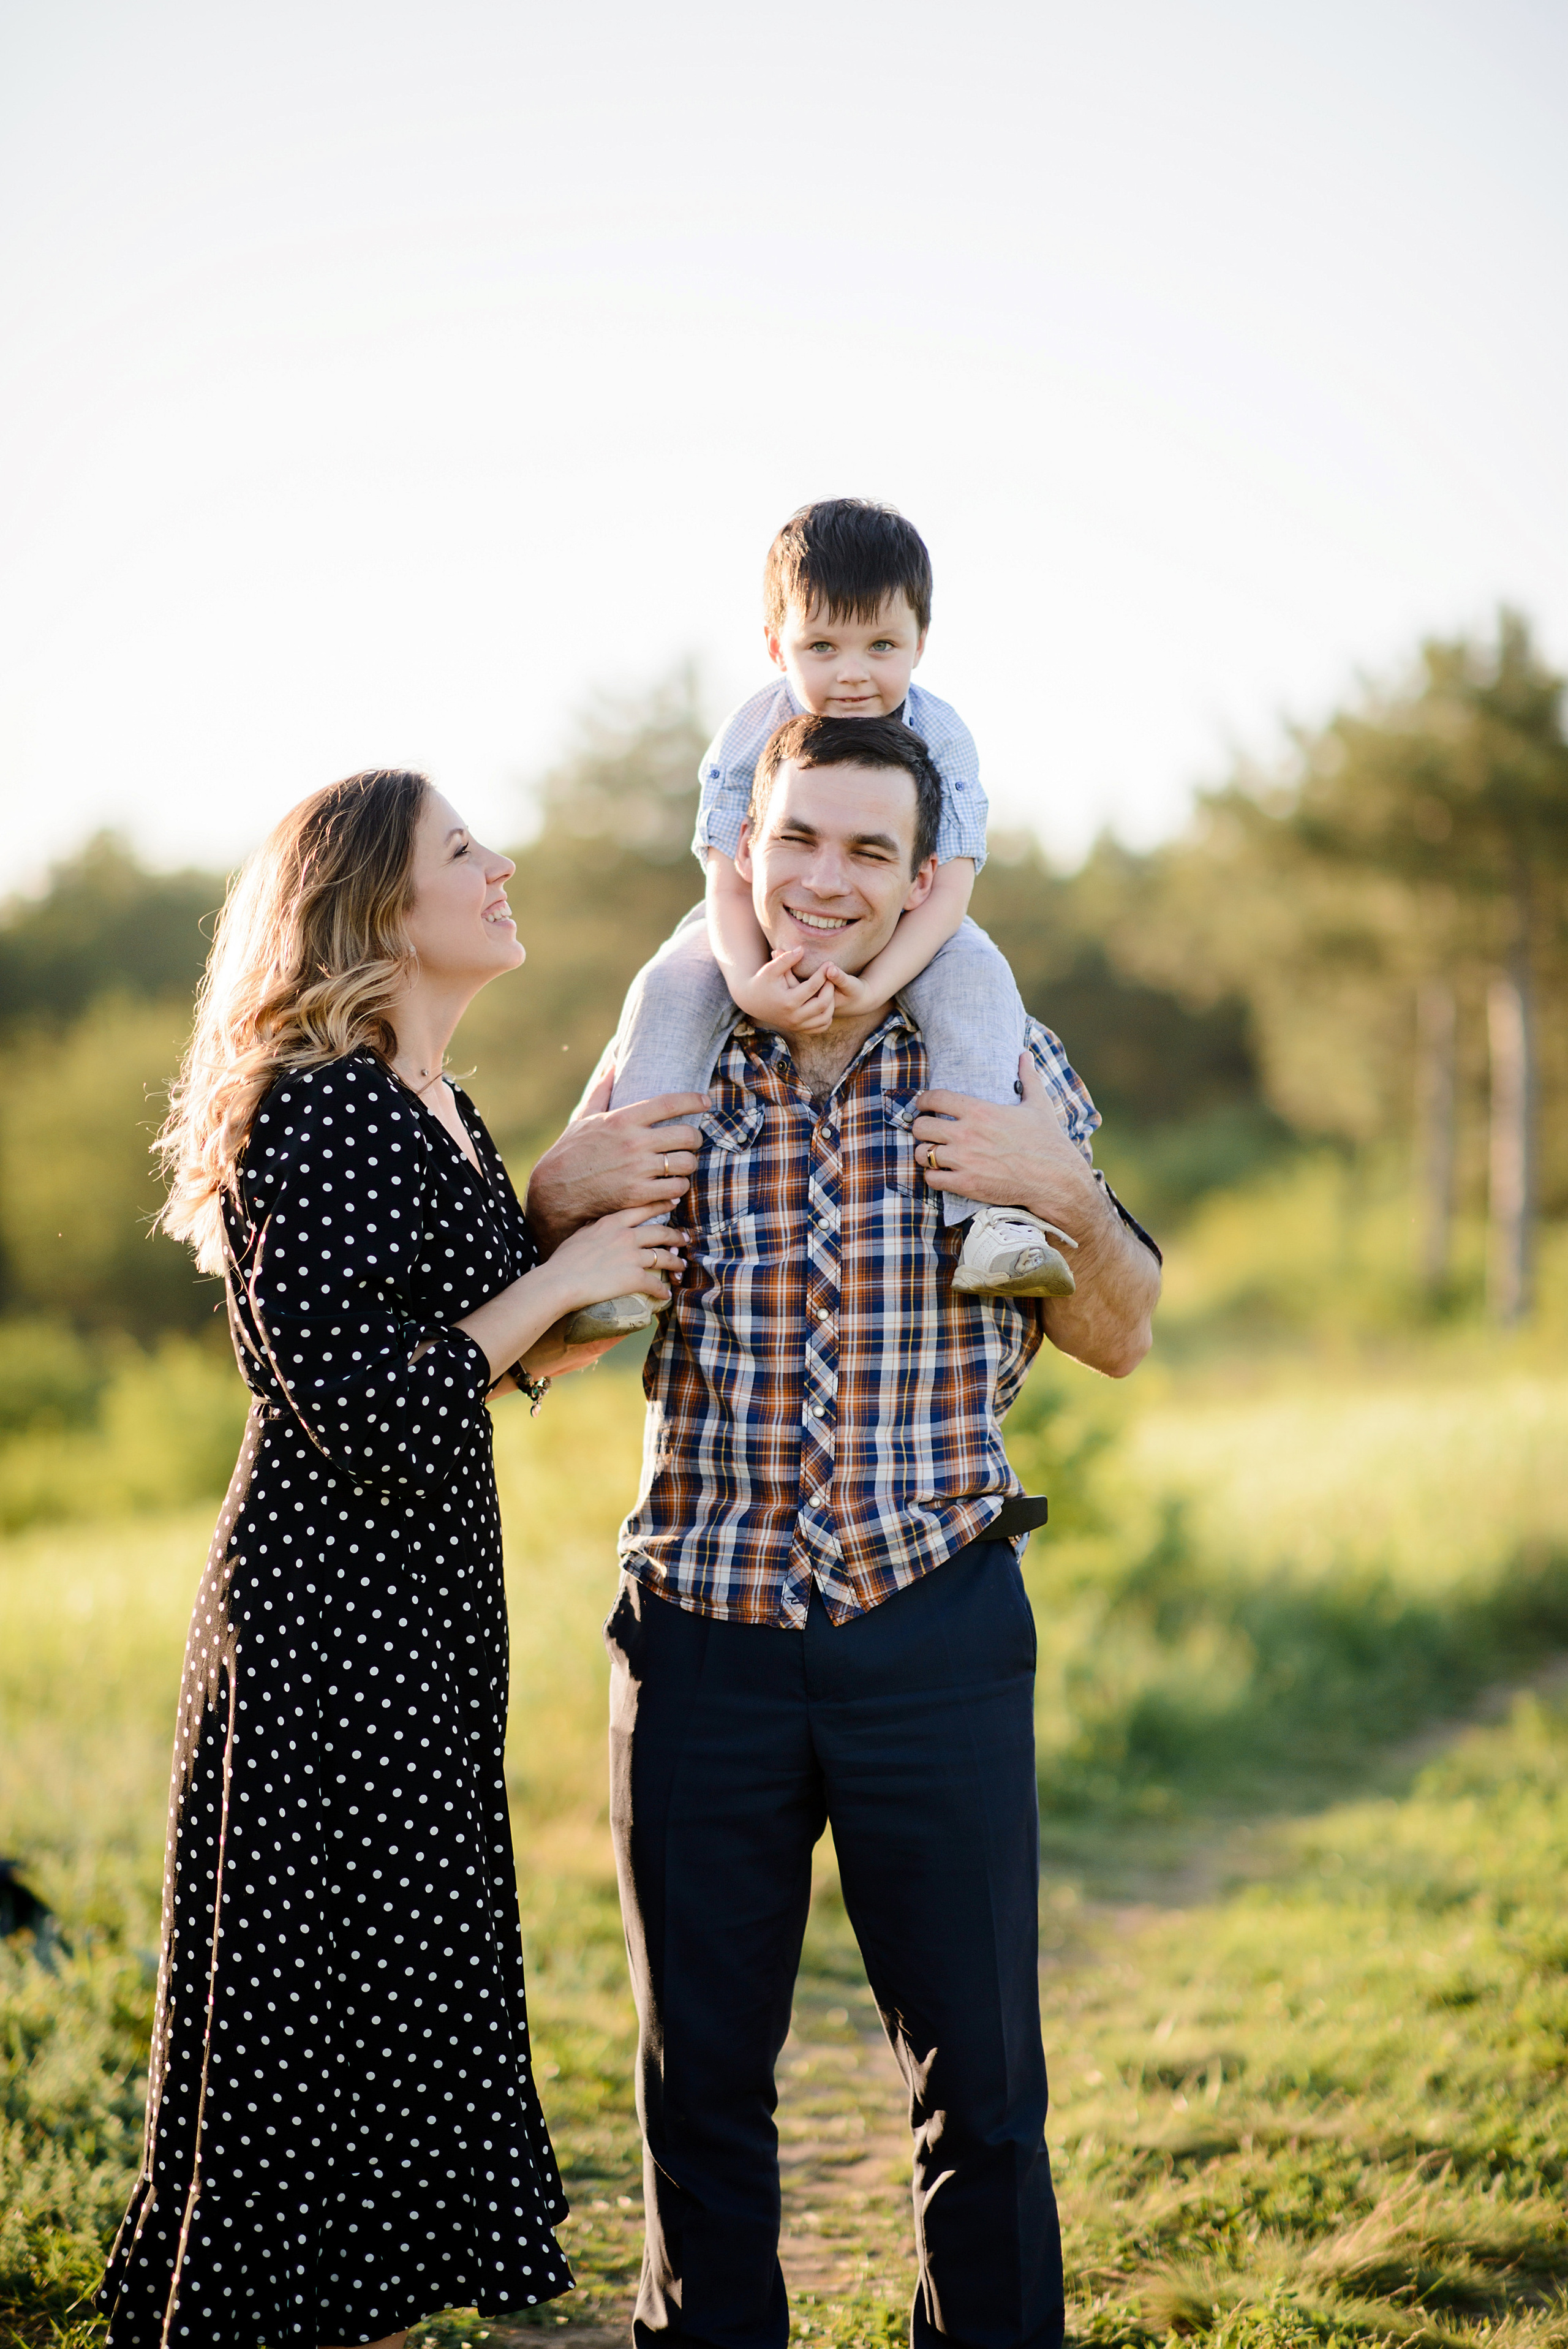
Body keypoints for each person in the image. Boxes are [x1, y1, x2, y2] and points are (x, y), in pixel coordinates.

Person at [571, 711, 1162, 2349]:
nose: (826, 882)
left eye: (869, 852)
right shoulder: (668, 1056)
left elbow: (1123, 1329)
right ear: (744, 849)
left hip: (936, 1631)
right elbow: (552, 1330)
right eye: (799, 841)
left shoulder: (1003, 1057)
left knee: (983, 2096)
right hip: (699, 1640)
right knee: (700, 2100)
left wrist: (1064, 1187)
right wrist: (562, 1196)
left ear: (926, 880)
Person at [99, 769, 688, 2349]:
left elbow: (472, 1359)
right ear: (375, 906)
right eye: (460, 850)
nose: (500, 865)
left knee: (382, 1999)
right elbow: (358, 1408)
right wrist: (552, 1274)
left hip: (417, 1611)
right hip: (323, 1624)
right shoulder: (322, 1108)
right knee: (314, 2012)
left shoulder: (433, 1099)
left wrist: (591, 1294)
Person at [564, 497, 1076, 1345]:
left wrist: (875, 983)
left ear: (920, 644)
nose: (853, 675)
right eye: (821, 648)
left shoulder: (942, 737)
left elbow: (947, 888)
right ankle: (625, 1235)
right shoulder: (745, 735)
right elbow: (726, 882)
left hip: (918, 924)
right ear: (776, 647)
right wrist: (745, 987)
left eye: (883, 647)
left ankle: (991, 1220)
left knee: (983, 989)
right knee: (665, 990)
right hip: (742, 918)